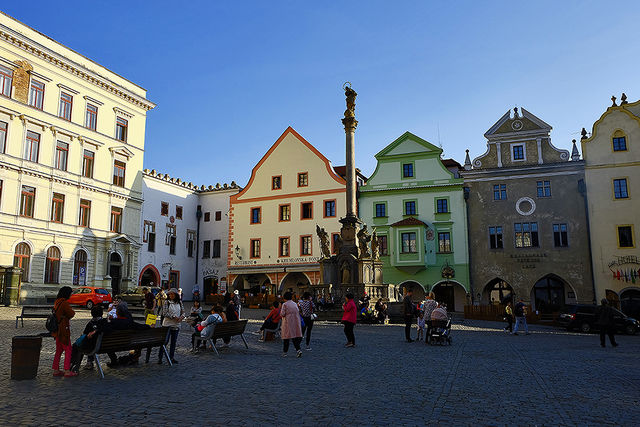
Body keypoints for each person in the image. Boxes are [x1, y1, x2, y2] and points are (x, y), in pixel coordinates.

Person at [71, 305, 107, 372]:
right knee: (89, 342)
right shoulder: (105, 322)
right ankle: (89, 362)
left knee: (77, 346)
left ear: (92, 314)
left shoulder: (91, 324)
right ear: (101, 313)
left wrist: (94, 332)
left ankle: (74, 365)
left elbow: (85, 333)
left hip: (94, 347)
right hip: (105, 346)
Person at [52, 286, 77, 377]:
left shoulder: (57, 302)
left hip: (57, 329)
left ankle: (56, 369)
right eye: (70, 293)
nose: (71, 295)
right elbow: (71, 314)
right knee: (68, 349)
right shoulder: (64, 303)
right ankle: (67, 370)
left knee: (59, 350)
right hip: (63, 329)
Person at [158, 288, 184, 364]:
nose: (171, 295)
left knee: (173, 342)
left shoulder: (180, 302)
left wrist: (182, 317)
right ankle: (160, 357)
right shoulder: (167, 302)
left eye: (172, 294)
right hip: (167, 324)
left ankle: (171, 357)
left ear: (176, 295)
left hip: (176, 324)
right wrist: (173, 317)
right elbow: (164, 313)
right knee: (164, 342)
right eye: (170, 294)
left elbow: (183, 311)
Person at [280, 291, 303, 357]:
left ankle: (285, 352)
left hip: (287, 322)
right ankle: (298, 350)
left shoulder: (285, 304)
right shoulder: (295, 304)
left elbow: (282, 314)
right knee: (294, 338)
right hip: (295, 322)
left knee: (286, 338)